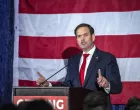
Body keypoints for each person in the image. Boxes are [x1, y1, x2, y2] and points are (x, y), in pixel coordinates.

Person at [36, 23, 122, 109]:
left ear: (93, 37)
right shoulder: (73, 60)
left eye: (85, 35)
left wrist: (107, 84)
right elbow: (68, 85)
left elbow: (117, 87)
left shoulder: (107, 58)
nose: (82, 39)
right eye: (79, 36)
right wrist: (49, 85)